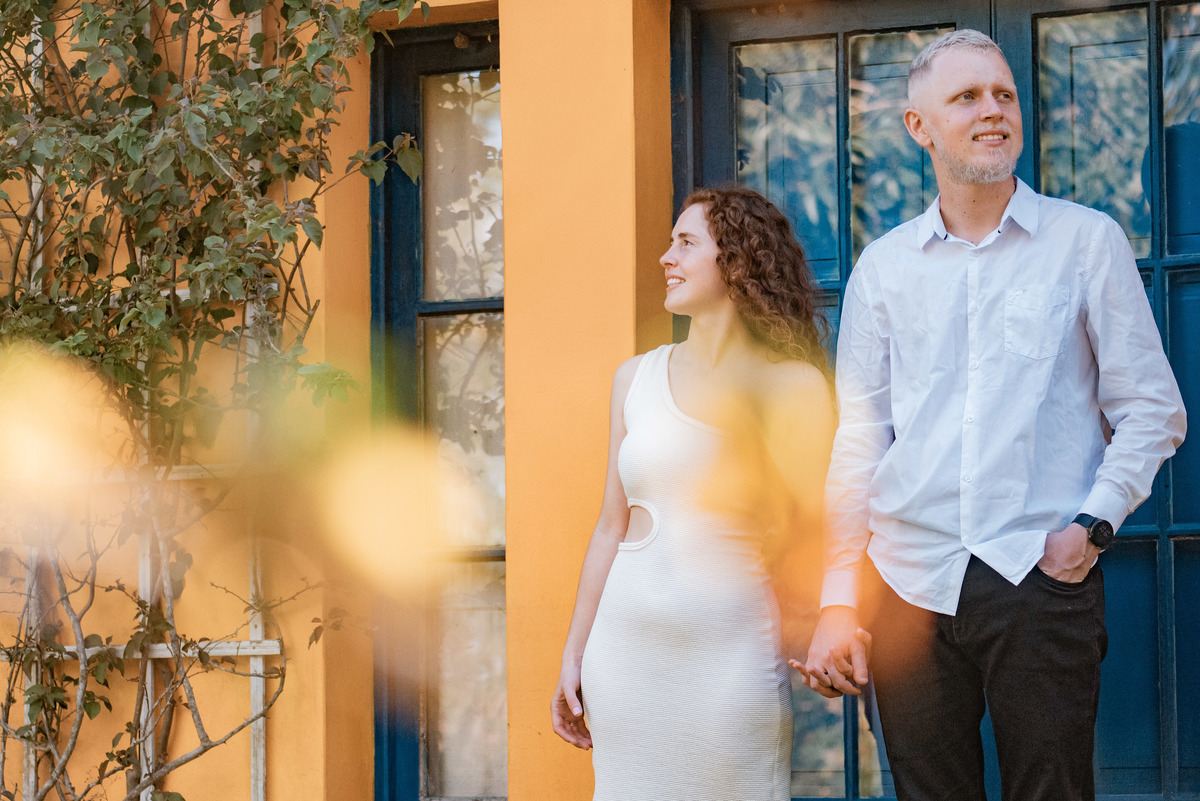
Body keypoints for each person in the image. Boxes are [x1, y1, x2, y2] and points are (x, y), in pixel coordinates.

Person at [795, 29, 1187, 801]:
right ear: (920, 126)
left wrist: (1092, 527)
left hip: (1039, 572)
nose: (993, 110)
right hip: (906, 581)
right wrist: (839, 597)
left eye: (1004, 94)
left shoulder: (1085, 242)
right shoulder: (884, 267)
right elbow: (861, 436)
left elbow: (1152, 408)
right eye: (967, 97)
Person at [550, 187, 841, 800]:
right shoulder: (634, 378)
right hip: (624, 655)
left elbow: (817, 534)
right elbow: (610, 527)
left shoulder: (794, 387)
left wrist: (823, 625)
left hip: (732, 654)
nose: (666, 257)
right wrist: (574, 653)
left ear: (737, 261)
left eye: (686, 243)